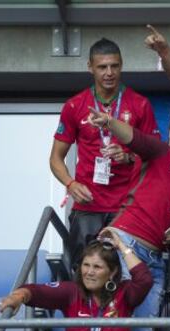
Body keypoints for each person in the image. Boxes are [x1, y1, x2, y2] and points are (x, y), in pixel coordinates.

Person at [87, 104, 170, 331]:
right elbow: (135, 138)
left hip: (155, 261)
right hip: (126, 245)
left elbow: (167, 215)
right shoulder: (161, 152)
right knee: (116, 329)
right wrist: (109, 121)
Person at [50, 38, 160, 268]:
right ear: (90, 67)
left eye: (115, 66)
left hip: (128, 206)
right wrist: (70, 184)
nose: (109, 73)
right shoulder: (75, 105)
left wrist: (129, 156)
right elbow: (55, 159)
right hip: (88, 206)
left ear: (121, 65)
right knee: (85, 273)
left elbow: (156, 156)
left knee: (126, 275)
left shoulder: (139, 104)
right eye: (102, 67)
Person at [0, 230, 153, 331]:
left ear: (112, 272)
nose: (89, 272)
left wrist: (121, 245)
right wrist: (18, 297)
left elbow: (144, 279)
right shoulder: (72, 292)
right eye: (86, 265)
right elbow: (36, 291)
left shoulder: (124, 293)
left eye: (97, 267)